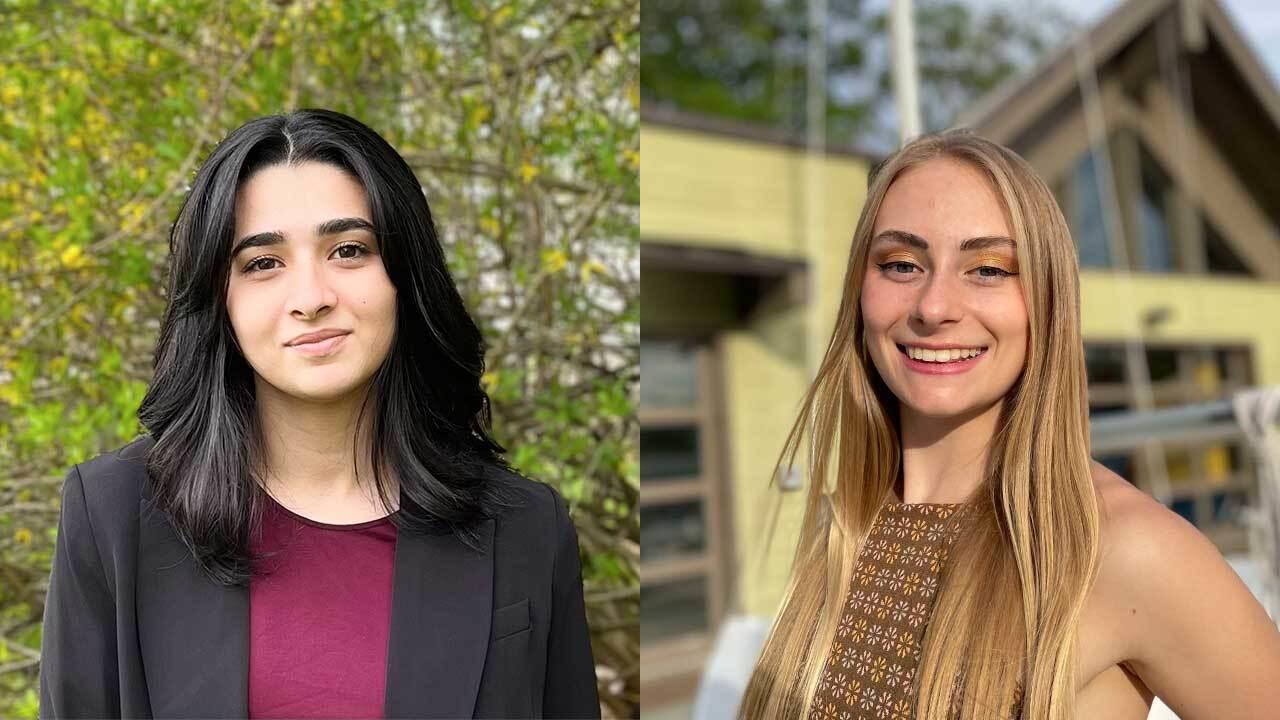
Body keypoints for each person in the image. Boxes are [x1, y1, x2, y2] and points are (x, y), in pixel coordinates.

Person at [38, 108, 600, 719]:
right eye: (262, 263)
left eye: (349, 250)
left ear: (404, 277)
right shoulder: (112, 515)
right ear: (217, 297)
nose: (311, 298)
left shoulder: (527, 529)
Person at [736, 130, 1280, 719]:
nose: (934, 306)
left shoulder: (1121, 547)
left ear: (1047, 300)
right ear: (860, 293)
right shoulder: (845, 524)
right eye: (900, 264)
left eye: (989, 269)